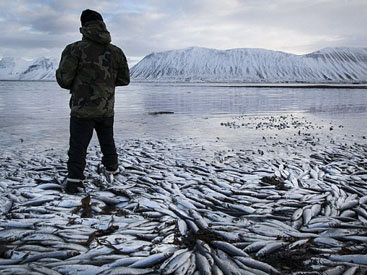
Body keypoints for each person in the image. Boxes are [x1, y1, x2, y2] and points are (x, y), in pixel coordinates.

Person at [56, 9, 130, 194]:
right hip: (106, 108)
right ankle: (112, 169)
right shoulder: (116, 51)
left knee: (78, 145)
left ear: (83, 26)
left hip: (82, 109)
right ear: (102, 24)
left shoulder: (74, 49)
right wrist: (104, 84)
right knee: (107, 141)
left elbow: (64, 80)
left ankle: (74, 181)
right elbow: (124, 79)